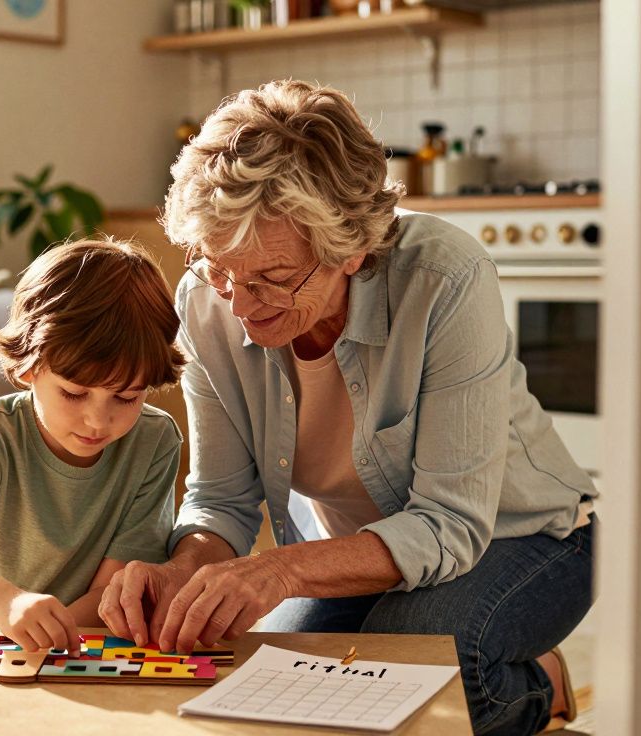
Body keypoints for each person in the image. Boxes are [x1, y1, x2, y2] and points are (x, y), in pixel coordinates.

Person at [97, 80, 597, 735]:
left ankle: (542, 686)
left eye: (272, 279)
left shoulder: (443, 277)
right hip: (352, 557)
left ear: (352, 248)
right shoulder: (206, 302)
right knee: (267, 680)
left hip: (521, 538)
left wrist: (275, 571)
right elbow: (221, 498)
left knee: (409, 656)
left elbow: (449, 525)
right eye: (221, 271)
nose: (240, 307)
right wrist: (179, 573)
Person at [0, 238, 185, 654]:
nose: (97, 420)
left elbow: (111, 591)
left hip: (78, 648)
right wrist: (6, 603)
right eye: (73, 393)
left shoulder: (154, 441)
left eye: (126, 398)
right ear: (29, 367)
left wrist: (49, 641)